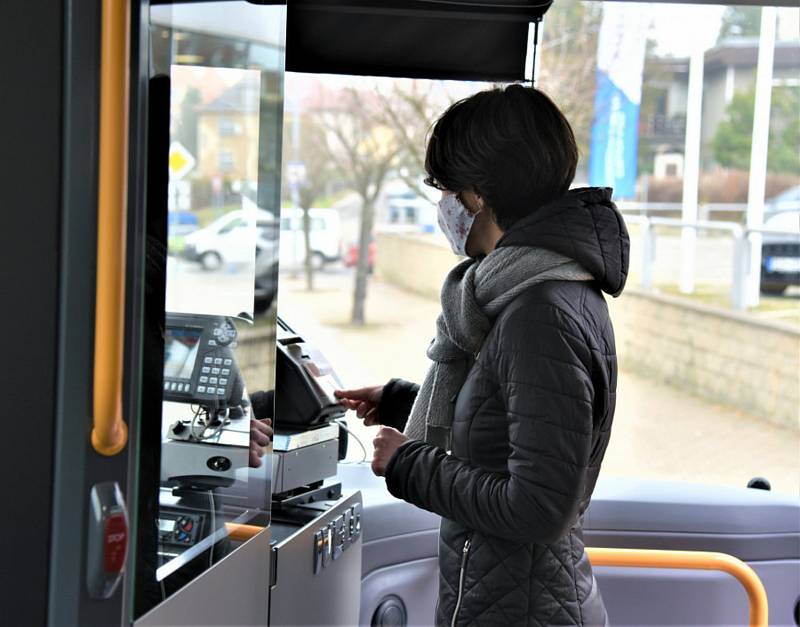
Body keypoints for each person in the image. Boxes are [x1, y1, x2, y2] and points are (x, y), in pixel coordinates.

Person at [336, 84, 629, 626]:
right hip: (509, 597)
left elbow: (539, 506)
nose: (442, 206)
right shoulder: (532, 291)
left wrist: (407, 462)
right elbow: (511, 423)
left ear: (475, 195)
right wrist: (407, 403)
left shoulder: (542, 314)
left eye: (445, 189)